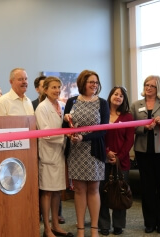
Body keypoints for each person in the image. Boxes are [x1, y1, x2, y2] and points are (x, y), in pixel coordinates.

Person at [62, 69, 109, 237]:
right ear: (83, 83)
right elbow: (64, 126)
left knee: (94, 189)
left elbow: (103, 130)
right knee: (79, 190)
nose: (94, 85)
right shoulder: (72, 101)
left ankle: (94, 229)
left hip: (94, 151)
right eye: (91, 82)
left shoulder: (102, 103)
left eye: (96, 82)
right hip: (76, 151)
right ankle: (81, 229)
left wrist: (83, 137)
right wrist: (70, 132)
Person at [130, 75, 160, 234]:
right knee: (147, 188)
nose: (148, 88)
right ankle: (149, 222)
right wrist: (144, 128)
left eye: (152, 86)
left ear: (158, 88)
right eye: (146, 85)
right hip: (143, 151)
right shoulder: (136, 105)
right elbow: (130, 127)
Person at [35, 76, 73, 237]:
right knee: (47, 192)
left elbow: (66, 125)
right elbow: (45, 133)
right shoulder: (41, 108)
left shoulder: (63, 106)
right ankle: (47, 228)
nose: (57, 90)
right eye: (53, 88)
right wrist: (66, 136)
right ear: (45, 90)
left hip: (60, 154)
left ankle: (56, 225)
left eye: (59, 87)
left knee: (57, 191)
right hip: (48, 153)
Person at [98, 86, 134, 236]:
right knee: (102, 193)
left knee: (120, 192)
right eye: (115, 94)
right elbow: (98, 136)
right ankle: (104, 225)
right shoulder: (101, 114)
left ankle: (118, 225)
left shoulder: (128, 117)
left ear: (124, 99)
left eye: (121, 95)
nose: (118, 97)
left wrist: (118, 156)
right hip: (101, 160)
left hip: (122, 162)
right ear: (110, 95)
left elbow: (129, 140)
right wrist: (107, 153)